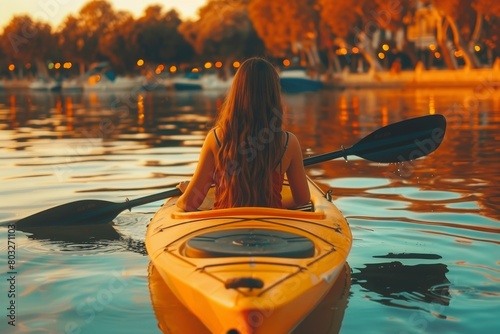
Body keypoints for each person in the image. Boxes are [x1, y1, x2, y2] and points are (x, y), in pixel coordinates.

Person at [176, 57, 310, 211]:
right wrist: (276, 206)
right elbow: (302, 199)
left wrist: (188, 192)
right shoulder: (288, 142)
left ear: (236, 92)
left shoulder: (216, 138)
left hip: (223, 229)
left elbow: (188, 204)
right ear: (274, 94)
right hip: (271, 227)